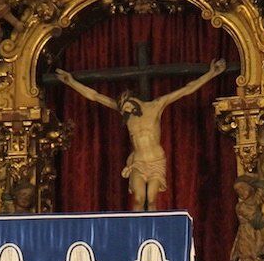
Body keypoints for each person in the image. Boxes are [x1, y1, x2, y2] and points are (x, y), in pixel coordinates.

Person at [57, 59, 228, 211]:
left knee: (152, 200)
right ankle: (136, 234)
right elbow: (94, 96)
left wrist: (211, 73)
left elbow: (186, 90)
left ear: (132, 99)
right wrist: (70, 82)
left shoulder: (156, 106)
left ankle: (151, 236)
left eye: (128, 107)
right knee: (138, 200)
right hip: (138, 162)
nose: (127, 112)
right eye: (124, 111)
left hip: (155, 162)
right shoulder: (126, 113)